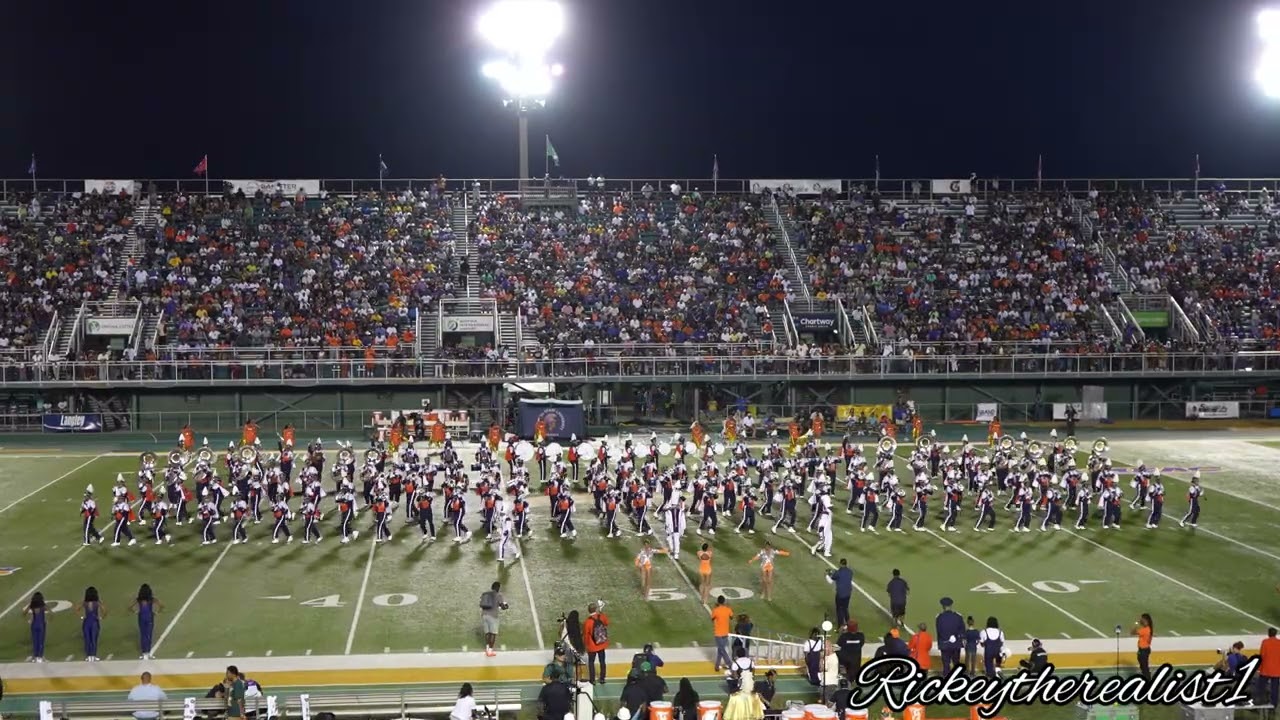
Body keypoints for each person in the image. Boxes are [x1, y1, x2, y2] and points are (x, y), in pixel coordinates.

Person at [129, 584, 164, 660]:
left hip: (141, 617)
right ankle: (148, 652)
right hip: (149, 617)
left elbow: (130, 607)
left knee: (143, 635)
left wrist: (136, 612)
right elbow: (161, 606)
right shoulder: (151, 599)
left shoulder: (139, 599)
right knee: (149, 635)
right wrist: (156, 612)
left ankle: (144, 653)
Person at [75, 585, 106, 662]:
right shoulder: (97, 602)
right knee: (94, 639)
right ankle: (94, 656)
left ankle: (88, 656)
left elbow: (76, 609)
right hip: (94, 622)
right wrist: (101, 617)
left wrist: (81, 617)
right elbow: (105, 610)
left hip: (86, 622)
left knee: (87, 639)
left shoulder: (84, 603)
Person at [935, 597, 964, 676]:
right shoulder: (958, 616)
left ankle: (946, 679)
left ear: (943, 606)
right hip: (956, 644)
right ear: (951, 605)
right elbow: (962, 631)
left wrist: (946, 639)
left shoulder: (939, 617)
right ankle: (957, 678)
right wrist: (955, 637)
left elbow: (939, 631)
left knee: (946, 664)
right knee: (956, 663)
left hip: (945, 644)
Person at [480, 581, 508, 657]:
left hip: (484, 615)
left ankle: (487, 649)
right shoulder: (498, 595)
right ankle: (490, 651)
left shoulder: (485, 594)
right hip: (493, 616)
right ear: (497, 587)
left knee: (487, 633)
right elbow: (502, 606)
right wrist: (505, 606)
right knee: (493, 633)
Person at [583, 602, 610, 684]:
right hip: (601, 643)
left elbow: (585, 635)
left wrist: (586, 645)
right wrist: (601, 613)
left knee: (591, 662)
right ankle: (602, 678)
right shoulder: (601, 617)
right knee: (602, 661)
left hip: (592, 646)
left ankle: (592, 680)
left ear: (588, 610)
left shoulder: (587, 622)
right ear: (595, 609)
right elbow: (607, 623)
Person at [711, 595, 735, 672]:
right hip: (725, 632)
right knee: (720, 650)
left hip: (718, 633)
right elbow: (732, 617)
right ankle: (717, 665)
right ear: (724, 601)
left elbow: (712, 619)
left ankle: (730, 664)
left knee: (721, 650)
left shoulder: (715, 610)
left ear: (718, 602)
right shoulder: (728, 609)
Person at [828, 559, 854, 628]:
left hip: (840, 594)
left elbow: (832, 578)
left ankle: (840, 625)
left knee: (839, 609)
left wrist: (829, 574)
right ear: (846, 564)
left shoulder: (838, 572)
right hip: (848, 594)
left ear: (840, 564)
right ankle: (848, 623)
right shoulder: (850, 571)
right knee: (845, 608)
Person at [24, 591, 48, 663]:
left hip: (34, 624)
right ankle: (40, 657)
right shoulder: (42, 605)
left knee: (35, 641)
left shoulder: (32, 605)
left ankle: (35, 657)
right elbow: (49, 612)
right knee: (41, 641)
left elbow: (24, 613)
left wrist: (29, 620)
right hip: (41, 624)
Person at [1259, 627, 1280, 709]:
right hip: (1276, 669)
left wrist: (1259, 668)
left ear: (1269, 633)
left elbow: (1262, 655)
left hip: (1266, 669)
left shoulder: (1265, 642)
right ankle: (1274, 703)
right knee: (1275, 688)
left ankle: (1261, 700)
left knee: (1261, 686)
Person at [1132, 613, 1153, 679]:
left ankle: (1148, 680)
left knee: (1144, 668)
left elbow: (1132, 632)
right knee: (1144, 667)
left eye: (1142, 619)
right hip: (1144, 650)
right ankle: (1147, 679)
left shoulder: (1145, 630)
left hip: (1143, 651)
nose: (1140, 620)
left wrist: (1136, 624)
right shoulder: (1148, 628)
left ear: (1145, 620)